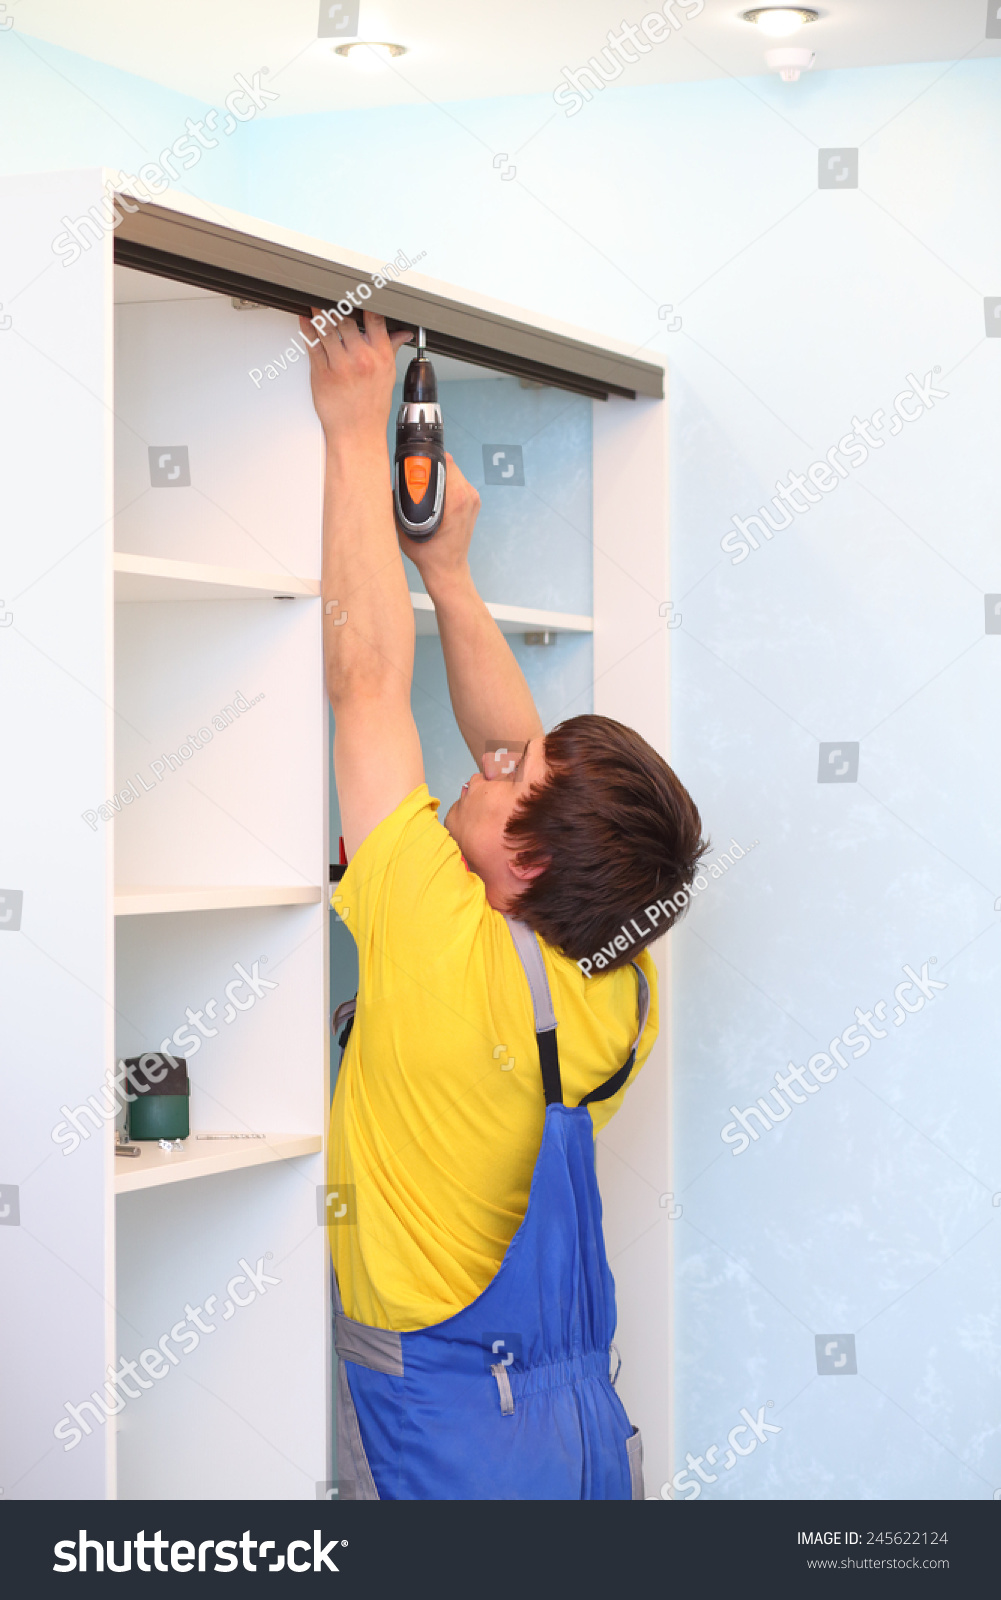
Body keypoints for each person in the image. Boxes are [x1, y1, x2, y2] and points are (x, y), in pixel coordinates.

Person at [301, 306, 705, 1501]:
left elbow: (367, 683)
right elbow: (507, 745)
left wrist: (349, 424)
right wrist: (446, 571)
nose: (496, 755)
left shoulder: (433, 937)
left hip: (443, 1432)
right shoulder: (618, 981)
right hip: (576, 1433)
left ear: (525, 866)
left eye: (514, 777)